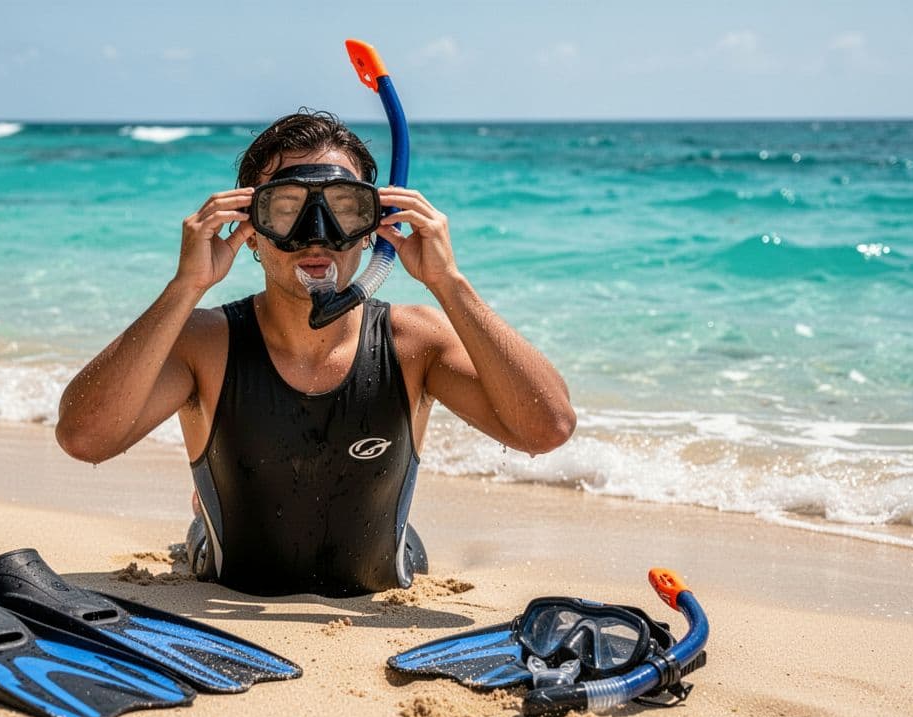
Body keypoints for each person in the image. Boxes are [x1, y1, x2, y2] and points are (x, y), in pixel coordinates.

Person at [56, 111, 575, 597]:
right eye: (285, 208)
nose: (317, 234)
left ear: (375, 225)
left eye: (344, 206)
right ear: (251, 229)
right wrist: (185, 287)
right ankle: (204, 512)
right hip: (224, 570)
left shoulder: (414, 342)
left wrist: (449, 282)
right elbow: (84, 437)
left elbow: (546, 428)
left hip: (391, 567)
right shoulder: (206, 342)